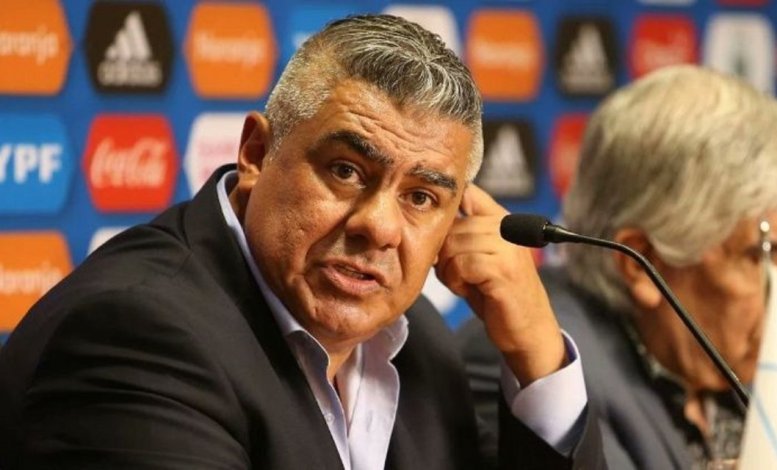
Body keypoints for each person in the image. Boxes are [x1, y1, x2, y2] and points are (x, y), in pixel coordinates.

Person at [0, 15, 605, 469]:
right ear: (256, 154)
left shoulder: (415, 342)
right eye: (346, 170)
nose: (379, 226)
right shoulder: (139, 334)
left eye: (421, 197)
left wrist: (538, 354)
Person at [457, 64, 777, 469]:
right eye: (764, 255)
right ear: (642, 264)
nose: (776, 283)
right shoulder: (535, 363)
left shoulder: (726, 364)